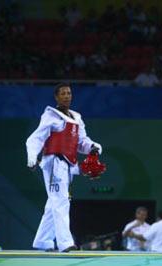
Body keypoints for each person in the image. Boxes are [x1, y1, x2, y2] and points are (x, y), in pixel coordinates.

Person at [26, 83, 102, 252]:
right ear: (56, 97)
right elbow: (36, 138)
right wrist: (32, 158)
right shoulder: (50, 116)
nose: (67, 96)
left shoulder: (76, 118)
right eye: (63, 93)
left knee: (54, 202)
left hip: (69, 164)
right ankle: (65, 243)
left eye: (69, 93)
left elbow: (81, 142)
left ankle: (43, 241)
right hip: (53, 163)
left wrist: (93, 147)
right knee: (60, 202)